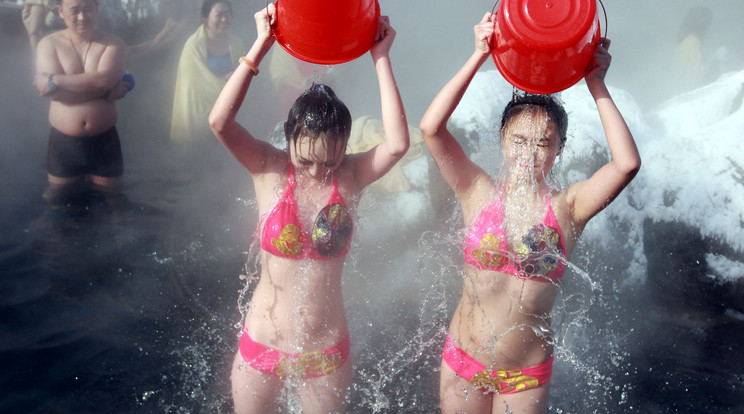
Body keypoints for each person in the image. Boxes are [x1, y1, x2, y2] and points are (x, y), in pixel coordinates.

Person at [419, 13, 641, 413]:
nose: (529, 153)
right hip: (462, 360)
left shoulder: (569, 207)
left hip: (523, 374)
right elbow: (431, 129)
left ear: (558, 149)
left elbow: (626, 164)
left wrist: (596, 82)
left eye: (544, 143)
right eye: (519, 140)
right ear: (503, 139)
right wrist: (478, 57)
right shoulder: (477, 191)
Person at [208, 4, 409, 413]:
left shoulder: (351, 176)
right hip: (263, 342)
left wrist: (380, 56)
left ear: (344, 150)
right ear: (288, 141)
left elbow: (398, 144)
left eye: (330, 161)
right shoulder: (268, 168)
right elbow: (220, 122)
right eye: (306, 160)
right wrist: (262, 43)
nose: (318, 171)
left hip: (325, 351)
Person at [34, 0, 132, 203]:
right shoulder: (48, 44)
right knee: (58, 203)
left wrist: (55, 80)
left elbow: (104, 80)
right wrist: (104, 92)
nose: (82, 16)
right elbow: (53, 95)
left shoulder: (113, 43)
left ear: (97, 9)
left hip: (105, 140)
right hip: (65, 143)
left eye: (87, 8)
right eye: (75, 10)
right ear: (60, 11)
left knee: (112, 202)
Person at [170, 0, 242, 143]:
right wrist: (228, 83)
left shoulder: (235, 43)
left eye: (227, 15)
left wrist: (235, 81)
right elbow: (194, 85)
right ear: (205, 18)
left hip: (229, 112)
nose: (224, 19)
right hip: (200, 117)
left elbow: (245, 76)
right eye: (219, 15)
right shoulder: (194, 45)